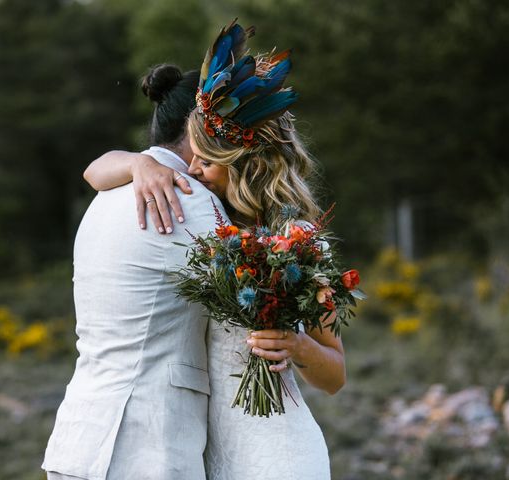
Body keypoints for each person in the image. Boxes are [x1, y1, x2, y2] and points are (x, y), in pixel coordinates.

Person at [83, 21, 345, 479]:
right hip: (206, 454)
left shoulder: (298, 241)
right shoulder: (204, 221)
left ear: (244, 165)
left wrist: (297, 345)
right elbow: (95, 171)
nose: (194, 170)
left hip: (276, 451)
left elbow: (335, 375)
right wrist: (139, 162)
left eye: (206, 160)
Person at [41, 64, 229, 480]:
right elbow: (243, 307)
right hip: (149, 447)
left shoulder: (105, 195)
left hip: (79, 440)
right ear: (203, 130)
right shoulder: (188, 199)